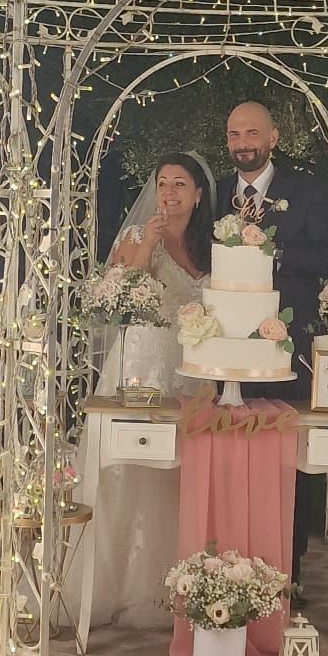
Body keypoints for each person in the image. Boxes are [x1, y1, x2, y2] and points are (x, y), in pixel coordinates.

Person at [222, 102, 328, 577]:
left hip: (288, 347)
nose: (243, 144)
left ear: (272, 138)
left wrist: (273, 251)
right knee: (233, 455)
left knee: (285, 461)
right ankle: (231, 563)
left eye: (252, 133)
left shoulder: (307, 191)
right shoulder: (216, 193)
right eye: (235, 135)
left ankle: (286, 571)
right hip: (228, 352)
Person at [88, 154, 214, 626]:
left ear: (198, 194)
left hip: (191, 369)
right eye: (163, 183)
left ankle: (175, 583)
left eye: (181, 184)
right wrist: (149, 245)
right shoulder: (138, 236)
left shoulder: (212, 245)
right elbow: (118, 291)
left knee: (179, 475)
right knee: (128, 469)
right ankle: (116, 585)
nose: (170, 192)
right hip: (142, 364)